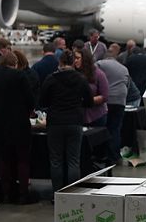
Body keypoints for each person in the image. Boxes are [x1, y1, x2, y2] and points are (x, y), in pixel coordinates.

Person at [38, 50, 104, 201]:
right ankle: (73, 196)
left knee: (56, 160)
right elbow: (89, 102)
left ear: (60, 62)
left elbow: (42, 102)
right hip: (74, 121)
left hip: (55, 122)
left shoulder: (51, 79)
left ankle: (58, 195)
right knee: (73, 160)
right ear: (74, 62)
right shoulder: (80, 79)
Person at [0, 52, 38, 204]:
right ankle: (23, 194)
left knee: (4, 160)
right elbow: (31, 100)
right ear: (15, 63)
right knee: (22, 159)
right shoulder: (20, 76)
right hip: (19, 124)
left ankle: (6, 193)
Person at [96, 47, 131, 165]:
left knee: (103, 129)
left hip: (107, 100)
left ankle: (103, 155)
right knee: (116, 129)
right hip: (121, 100)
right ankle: (115, 157)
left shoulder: (100, 63)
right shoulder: (124, 68)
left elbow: (93, 76)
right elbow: (128, 84)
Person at [77, 49, 110, 129]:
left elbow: (105, 96)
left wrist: (87, 100)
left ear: (85, 59)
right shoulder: (74, 74)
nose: (75, 60)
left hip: (96, 116)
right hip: (78, 117)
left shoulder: (99, 74)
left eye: (78, 58)